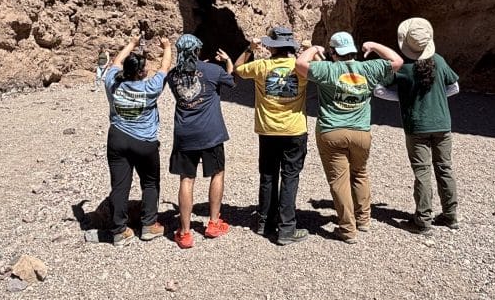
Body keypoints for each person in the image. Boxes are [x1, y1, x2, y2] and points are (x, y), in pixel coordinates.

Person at [295, 32, 402, 243]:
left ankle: (347, 229)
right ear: (352, 50)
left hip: (331, 131)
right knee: (360, 173)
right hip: (361, 132)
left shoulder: (327, 69)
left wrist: (314, 49)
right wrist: (374, 44)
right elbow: (397, 61)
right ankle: (364, 219)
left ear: (333, 52)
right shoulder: (368, 69)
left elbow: (299, 64)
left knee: (339, 181)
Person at [375, 18, 461, 233]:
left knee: (422, 172)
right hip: (442, 123)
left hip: (416, 125)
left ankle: (423, 220)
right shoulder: (439, 61)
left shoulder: (403, 67)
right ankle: (450, 215)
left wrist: (405, 99)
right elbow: (454, 87)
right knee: (445, 168)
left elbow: (379, 90)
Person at [234, 25, 310, 245]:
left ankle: (264, 222)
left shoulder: (261, 66)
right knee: (290, 177)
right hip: (294, 130)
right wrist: (310, 49)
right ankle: (286, 228)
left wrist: (250, 49)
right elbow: (323, 68)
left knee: (268, 176)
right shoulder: (301, 68)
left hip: (267, 130)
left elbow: (238, 67)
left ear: (272, 47)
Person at [165, 34, 235, 249]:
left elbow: (190, 74)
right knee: (217, 173)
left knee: (187, 179)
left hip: (185, 134)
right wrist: (227, 62)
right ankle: (214, 223)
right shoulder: (213, 70)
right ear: (197, 51)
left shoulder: (172, 76)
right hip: (211, 133)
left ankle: (185, 233)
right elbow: (230, 81)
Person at [102, 33, 173, 246]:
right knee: (150, 182)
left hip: (117, 139)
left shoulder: (112, 83)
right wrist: (167, 46)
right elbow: (165, 68)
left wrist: (131, 44)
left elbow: (115, 62)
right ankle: (149, 225)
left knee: (120, 185)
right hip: (144, 142)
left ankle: (119, 230)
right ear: (142, 73)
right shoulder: (150, 88)